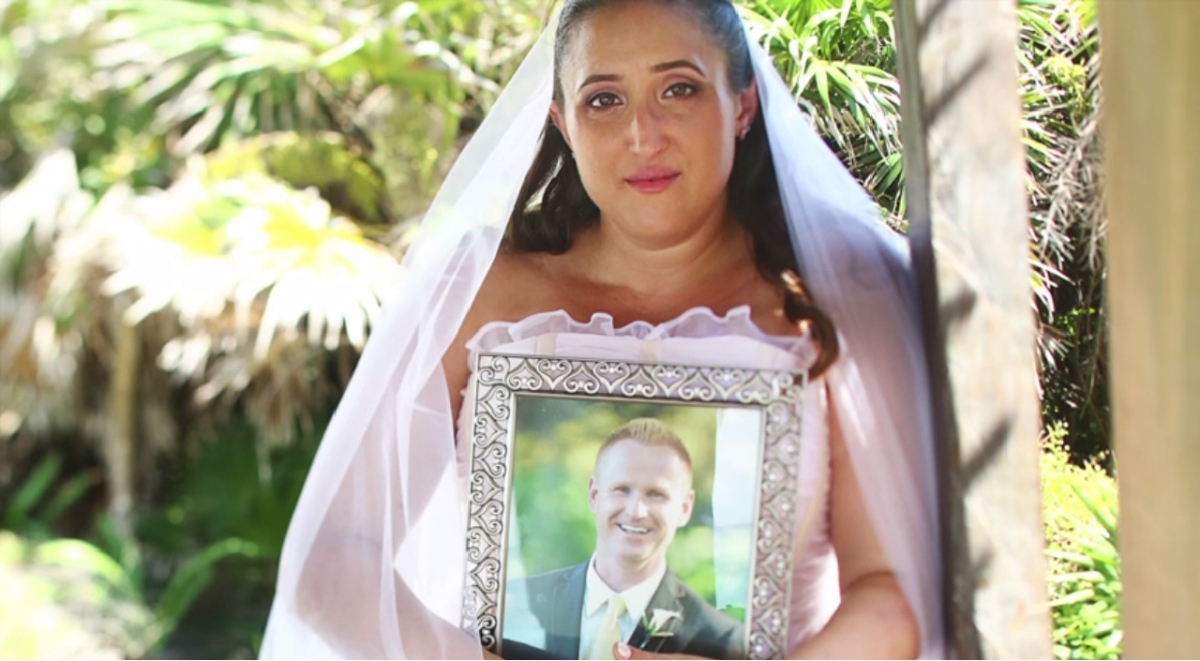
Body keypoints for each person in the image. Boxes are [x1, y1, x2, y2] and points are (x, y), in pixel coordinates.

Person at [260, 0, 945, 659]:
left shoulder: (842, 293)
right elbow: (331, 557)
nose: (642, 135)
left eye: (678, 88)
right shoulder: (473, 288)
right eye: (604, 99)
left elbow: (895, 597)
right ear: (562, 121)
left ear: (741, 105)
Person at [504, 419, 745, 660]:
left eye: (656, 494)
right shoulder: (511, 604)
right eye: (622, 489)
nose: (636, 511)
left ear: (684, 508)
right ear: (594, 495)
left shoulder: (722, 641)